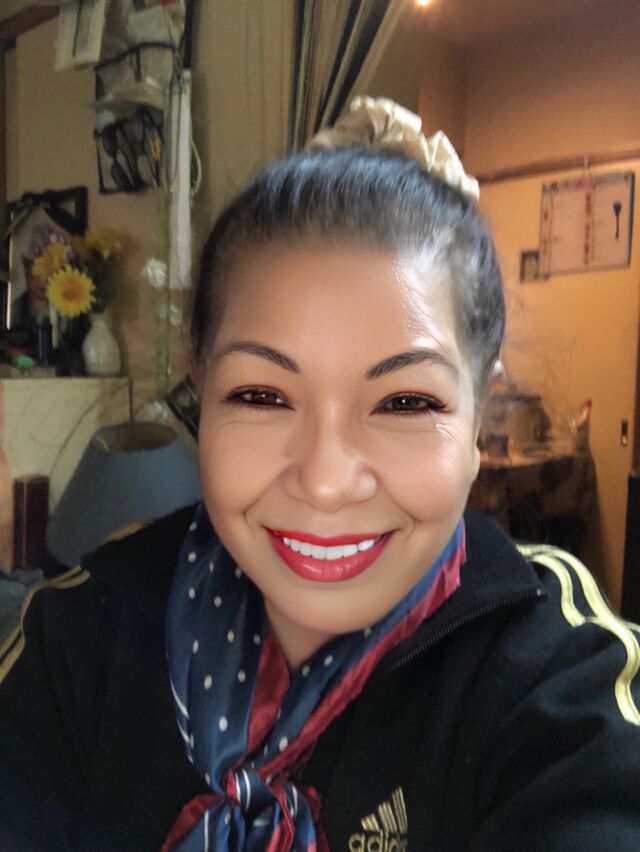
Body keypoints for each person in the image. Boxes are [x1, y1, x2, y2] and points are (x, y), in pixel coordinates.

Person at [1, 98, 639, 851]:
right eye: (261, 396)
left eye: (404, 402)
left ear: (478, 422)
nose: (327, 481)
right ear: (200, 394)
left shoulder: (557, 676)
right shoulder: (80, 638)